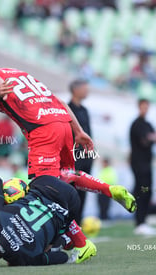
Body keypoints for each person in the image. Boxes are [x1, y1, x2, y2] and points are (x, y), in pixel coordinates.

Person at [0, 57, 136, 217]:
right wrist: (78, 131)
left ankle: (78, 243)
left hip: (42, 130)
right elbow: (60, 102)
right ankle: (110, 189)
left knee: (43, 188)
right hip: (62, 124)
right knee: (65, 175)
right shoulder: (20, 74)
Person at [0, 175, 96, 266]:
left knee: (46, 248)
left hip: (71, 202)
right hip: (44, 183)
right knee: (7, 204)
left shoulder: (25, 259)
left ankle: (66, 239)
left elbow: (62, 257)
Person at [130, 99, 156, 235]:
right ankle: (139, 222)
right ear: (139, 107)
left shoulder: (148, 124)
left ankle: (144, 221)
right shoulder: (136, 124)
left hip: (147, 163)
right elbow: (144, 140)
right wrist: (151, 138)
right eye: (143, 107)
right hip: (139, 164)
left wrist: (152, 137)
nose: (145, 109)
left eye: (147, 107)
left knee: (147, 191)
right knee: (141, 191)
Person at [68, 79, 93, 224]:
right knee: (72, 193)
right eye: (85, 88)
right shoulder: (67, 109)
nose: (87, 91)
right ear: (75, 90)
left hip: (86, 158)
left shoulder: (84, 110)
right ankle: (70, 226)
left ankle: (79, 224)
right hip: (73, 158)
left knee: (84, 191)